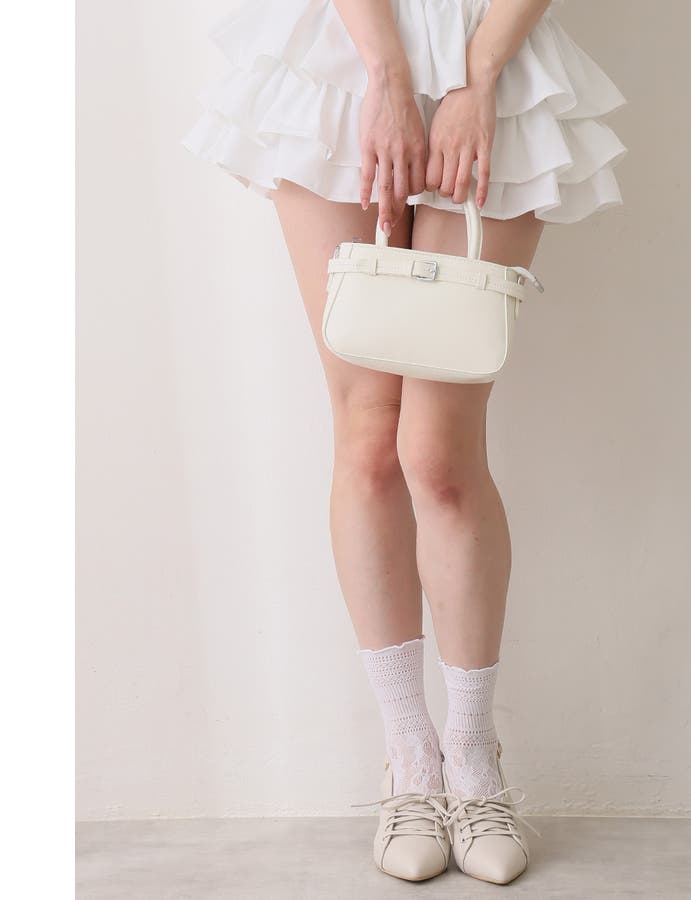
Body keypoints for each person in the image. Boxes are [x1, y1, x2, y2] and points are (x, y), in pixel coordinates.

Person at [183, 0, 625, 884]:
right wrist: (385, 73)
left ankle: (474, 755)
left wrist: (478, 77)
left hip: (496, 52)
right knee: (368, 436)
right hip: (341, 52)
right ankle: (411, 760)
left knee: (440, 453)